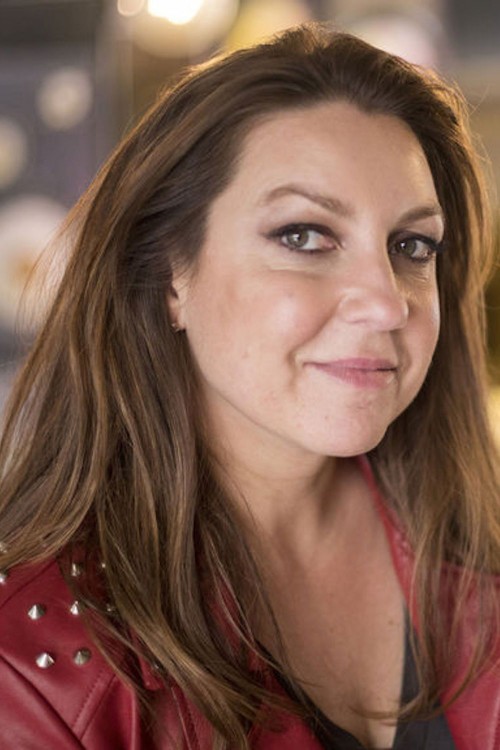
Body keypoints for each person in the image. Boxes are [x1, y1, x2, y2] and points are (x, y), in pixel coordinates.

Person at [0, 22, 498, 750]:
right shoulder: (31, 664)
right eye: (304, 236)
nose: (388, 303)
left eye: (411, 245)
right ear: (170, 274)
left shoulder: (478, 544)